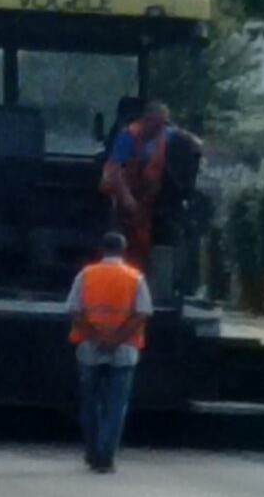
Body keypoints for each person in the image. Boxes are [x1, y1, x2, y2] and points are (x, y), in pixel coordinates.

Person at [67, 232, 153, 474]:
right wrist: (115, 339)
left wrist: (97, 337)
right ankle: (106, 457)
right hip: (123, 350)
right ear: (124, 251)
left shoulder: (87, 274)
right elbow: (142, 313)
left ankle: (92, 452)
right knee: (116, 405)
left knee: (90, 404)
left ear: (101, 249)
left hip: (90, 348)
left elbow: (75, 310)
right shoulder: (135, 277)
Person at [101, 101, 202, 268]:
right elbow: (115, 170)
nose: (159, 128)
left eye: (164, 124)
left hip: (152, 196)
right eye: (156, 124)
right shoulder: (129, 136)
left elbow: (195, 143)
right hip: (128, 193)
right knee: (124, 231)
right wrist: (126, 197)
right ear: (146, 120)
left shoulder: (168, 135)